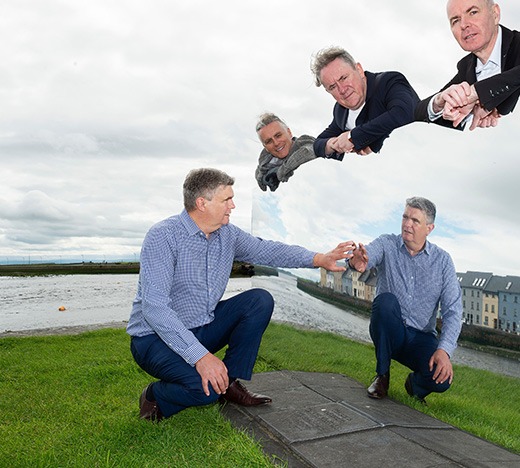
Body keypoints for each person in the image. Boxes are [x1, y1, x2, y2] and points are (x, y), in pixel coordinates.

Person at [127, 168, 355, 421]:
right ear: (201, 203)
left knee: (258, 300)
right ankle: (155, 395)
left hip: (203, 326)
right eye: (226, 200)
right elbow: (154, 308)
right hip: (153, 338)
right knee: (206, 392)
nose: (233, 206)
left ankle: (230, 383)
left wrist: (319, 258)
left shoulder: (228, 234)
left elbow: (268, 251)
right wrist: (201, 357)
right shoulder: (163, 236)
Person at [348, 197, 462, 405]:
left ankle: (415, 386)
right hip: (391, 330)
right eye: (405, 217)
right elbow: (367, 256)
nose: (407, 224)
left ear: (429, 228)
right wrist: (356, 261)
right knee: (385, 302)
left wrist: (444, 350)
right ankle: (382, 376)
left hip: (421, 337)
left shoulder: (443, 261)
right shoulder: (387, 243)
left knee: (442, 379)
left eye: (415, 220)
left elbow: (453, 311)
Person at [415, 0, 520, 131]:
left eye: (473, 12)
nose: (464, 24)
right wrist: (439, 101)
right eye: (455, 20)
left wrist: (480, 95)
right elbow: (417, 112)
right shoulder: (465, 71)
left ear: (495, 14)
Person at [310, 46, 419, 160]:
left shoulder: (388, 82)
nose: (342, 90)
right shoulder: (340, 111)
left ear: (359, 70)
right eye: (333, 87)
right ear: (328, 91)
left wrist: (352, 138)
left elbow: (404, 112)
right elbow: (318, 144)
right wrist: (333, 144)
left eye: (344, 78)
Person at [254, 113, 316, 192]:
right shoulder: (266, 161)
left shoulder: (304, 143)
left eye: (278, 135)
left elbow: (309, 150)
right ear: (265, 147)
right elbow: (259, 171)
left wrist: (280, 171)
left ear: (289, 132)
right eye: (269, 141)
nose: (276, 143)